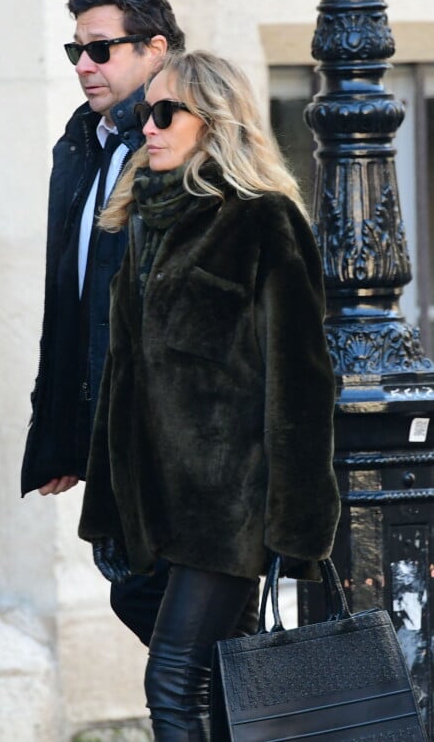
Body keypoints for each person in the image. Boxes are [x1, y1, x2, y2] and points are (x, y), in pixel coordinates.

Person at [78, 51, 342, 740]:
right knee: (230, 680)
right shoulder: (145, 224)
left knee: (172, 682)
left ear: (216, 123)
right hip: (158, 500)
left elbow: (303, 381)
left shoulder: (262, 221)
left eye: (167, 113)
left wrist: (297, 524)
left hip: (229, 504)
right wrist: (109, 503)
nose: (149, 128)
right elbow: (124, 378)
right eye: (144, 113)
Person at [19, 0, 265, 647]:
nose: (84, 66)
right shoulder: (81, 150)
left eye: (100, 49)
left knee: (179, 642)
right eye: (75, 52)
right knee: (154, 614)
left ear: (156, 48)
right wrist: (64, 430)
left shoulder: (181, 151)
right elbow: (71, 304)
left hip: (183, 456)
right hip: (115, 442)